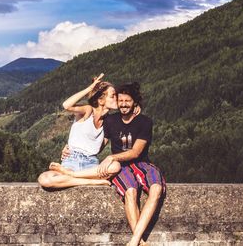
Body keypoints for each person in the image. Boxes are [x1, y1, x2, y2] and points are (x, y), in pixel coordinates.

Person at [97, 82, 166, 246]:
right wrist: (73, 147)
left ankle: (134, 240)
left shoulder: (145, 122)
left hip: (142, 163)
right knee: (131, 191)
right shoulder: (110, 121)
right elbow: (99, 145)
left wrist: (112, 158)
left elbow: (135, 152)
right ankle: (139, 241)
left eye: (127, 101)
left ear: (135, 102)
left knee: (157, 189)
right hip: (122, 167)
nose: (123, 104)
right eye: (120, 101)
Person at [37, 73, 121, 188]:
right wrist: (90, 88)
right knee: (44, 179)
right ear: (101, 100)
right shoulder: (88, 110)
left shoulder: (108, 122)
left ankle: (72, 176)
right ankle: (90, 182)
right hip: (72, 160)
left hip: (91, 164)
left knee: (115, 166)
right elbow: (66, 105)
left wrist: (136, 106)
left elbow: (98, 148)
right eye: (113, 96)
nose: (117, 98)